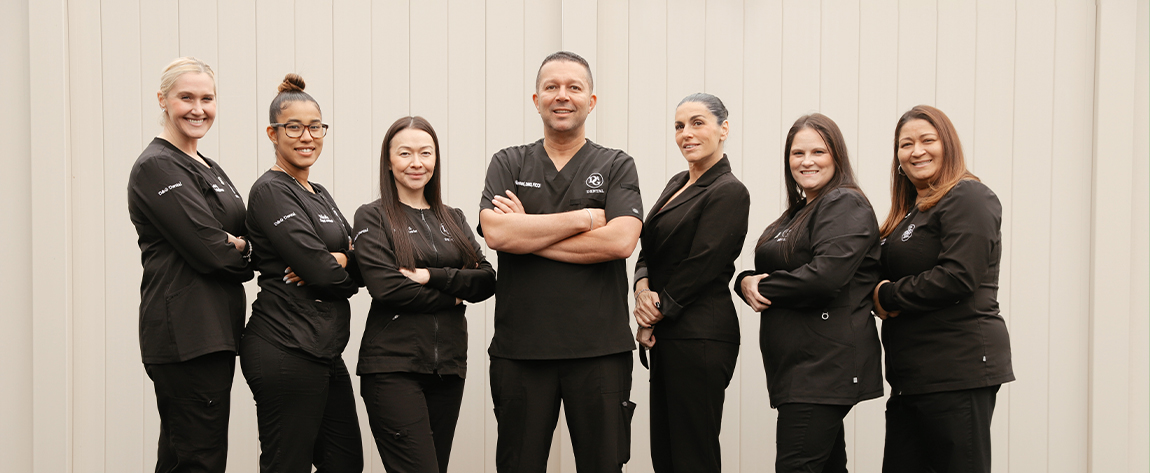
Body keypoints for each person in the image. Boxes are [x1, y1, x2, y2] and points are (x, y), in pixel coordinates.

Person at [478, 51, 644, 473]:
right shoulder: (508, 162)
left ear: (591, 101)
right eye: (551, 87)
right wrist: (584, 219)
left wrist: (527, 234)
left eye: (574, 87)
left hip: (599, 352)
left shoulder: (615, 164)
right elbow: (496, 233)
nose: (562, 96)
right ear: (536, 100)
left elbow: (621, 241)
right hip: (521, 352)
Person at [734, 113, 884, 473]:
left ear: (837, 156)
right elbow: (779, 265)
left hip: (823, 366)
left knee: (797, 466)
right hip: (799, 367)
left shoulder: (845, 203)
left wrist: (760, 285)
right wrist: (743, 280)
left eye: (818, 151)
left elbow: (825, 277)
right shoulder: (798, 212)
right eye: (797, 153)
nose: (807, 161)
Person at [871, 105, 1014, 473]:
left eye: (927, 140)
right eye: (906, 144)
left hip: (956, 369)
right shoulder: (910, 211)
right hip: (912, 376)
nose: (916, 150)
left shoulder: (968, 196)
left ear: (947, 145)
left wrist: (886, 296)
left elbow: (958, 276)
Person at [128, 56, 253, 473]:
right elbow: (210, 250)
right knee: (200, 458)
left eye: (207, 98)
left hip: (215, 331)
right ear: (162, 100)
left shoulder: (209, 167)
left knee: (183, 455)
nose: (198, 109)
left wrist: (239, 246)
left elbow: (243, 238)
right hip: (186, 333)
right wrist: (232, 249)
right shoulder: (157, 165)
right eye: (186, 97)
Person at [351, 116, 496, 473]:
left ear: (436, 159)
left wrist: (431, 275)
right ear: (388, 160)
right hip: (392, 368)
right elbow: (388, 289)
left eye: (425, 153)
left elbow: (487, 280)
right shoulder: (373, 216)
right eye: (405, 153)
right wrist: (455, 296)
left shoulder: (453, 218)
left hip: (448, 368)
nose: (416, 163)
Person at [241, 73, 363, 473]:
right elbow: (322, 273)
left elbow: (361, 261)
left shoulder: (320, 193)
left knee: (345, 462)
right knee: (286, 464)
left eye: (315, 127)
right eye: (293, 127)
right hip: (284, 345)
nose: (306, 136)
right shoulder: (270, 191)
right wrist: (335, 265)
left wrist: (342, 260)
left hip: (323, 350)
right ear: (272, 133)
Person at [631, 93, 748, 472]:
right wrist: (641, 287)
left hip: (700, 335)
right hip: (669, 334)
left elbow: (703, 263)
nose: (686, 133)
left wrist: (654, 314)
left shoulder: (729, 191)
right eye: (679, 126)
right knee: (665, 453)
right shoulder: (677, 182)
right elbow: (648, 245)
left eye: (698, 123)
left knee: (691, 454)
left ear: (723, 129)